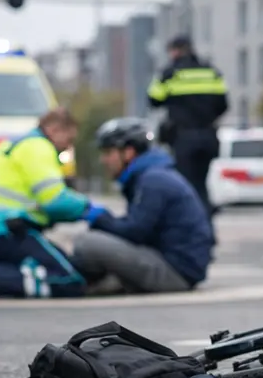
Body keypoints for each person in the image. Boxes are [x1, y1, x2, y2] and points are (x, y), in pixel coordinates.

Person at [0, 108, 102, 300]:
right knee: (69, 280)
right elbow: (54, 200)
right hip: (6, 230)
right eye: (69, 139)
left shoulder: (18, 144)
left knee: (60, 264)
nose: (68, 146)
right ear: (54, 129)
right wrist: (91, 209)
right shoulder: (38, 147)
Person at [71, 117, 213, 294]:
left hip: (175, 273)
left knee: (87, 243)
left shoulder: (152, 181)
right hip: (176, 267)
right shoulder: (150, 175)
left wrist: (100, 217)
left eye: (108, 152)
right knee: (96, 242)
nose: (103, 160)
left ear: (128, 152)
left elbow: (135, 231)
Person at [147, 35, 228, 220]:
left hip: (183, 138)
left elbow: (153, 100)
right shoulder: (211, 72)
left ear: (175, 51)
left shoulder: (170, 73)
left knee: (185, 186)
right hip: (208, 137)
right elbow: (223, 105)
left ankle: (193, 227)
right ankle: (206, 224)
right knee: (201, 185)